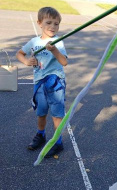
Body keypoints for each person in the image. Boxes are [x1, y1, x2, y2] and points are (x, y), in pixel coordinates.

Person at [16, 7, 68, 157]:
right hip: (39, 82)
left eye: (56, 24)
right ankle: (41, 135)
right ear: (39, 23)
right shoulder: (34, 41)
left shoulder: (58, 42)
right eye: (49, 23)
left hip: (55, 82)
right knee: (41, 112)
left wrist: (54, 51)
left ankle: (58, 142)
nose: (53, 27)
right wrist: (26, 61)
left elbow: (64, 62)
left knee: (57, 114)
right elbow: (19, 53)